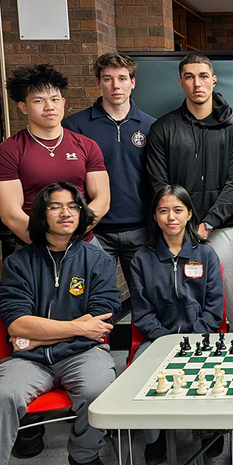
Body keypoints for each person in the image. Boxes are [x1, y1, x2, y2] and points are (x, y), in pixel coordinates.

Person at [0, 182, 121, 465]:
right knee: (3, 398)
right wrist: (77, 327)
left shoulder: (98, 260)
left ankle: (84, 456)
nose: (66, 213)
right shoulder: (19, 263)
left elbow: (100, 321)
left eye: (73, 207)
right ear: (42, 213)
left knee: (99, 391)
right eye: (56, 206)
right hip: (29, 360)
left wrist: (38, 335)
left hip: (82, 353)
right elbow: (17, 324)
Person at [146, 52, 233, 330]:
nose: (197, 83)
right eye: (190, 77)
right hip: (176, 232)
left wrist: (208, 223)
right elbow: (160, 185)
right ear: (180, 82)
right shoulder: (163, 129)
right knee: (184, 302)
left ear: (214, 80)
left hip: (225, 229)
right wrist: (184, 225)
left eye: (203, 76)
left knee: (232, 305)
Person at [129, 184, 224, 465]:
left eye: (178, 210)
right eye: (163, 210)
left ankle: (208, 430)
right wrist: (164, 339)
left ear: (189, 214)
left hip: (201, 336)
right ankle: (156, 436)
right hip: (157, 339)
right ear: (156, 217)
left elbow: (215, 308)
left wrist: (194, 335)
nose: (171, 217)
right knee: (142, 371)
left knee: (213, 369)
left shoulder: (206, 254)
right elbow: (142, 312)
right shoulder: (141, 259)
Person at [62, 52, 156, 295]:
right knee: (93, 299)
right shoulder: (75, 127)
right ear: (97, 82)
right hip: (94, 231)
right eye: (108, 79)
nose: (116, 86)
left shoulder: (151, 126)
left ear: (133, 83)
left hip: (141, 230)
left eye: (123, 78)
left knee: (146, 298)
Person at [0, 64, 110, 245]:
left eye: (54, 99)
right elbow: (11, 215)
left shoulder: (87, 145)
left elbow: (102, 200)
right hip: (32, 243)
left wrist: (70, 235)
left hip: (82, 241)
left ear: (63, 103)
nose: (49, 107)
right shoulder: (8, 151)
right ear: (23, 107)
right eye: (38, 101)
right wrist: (51, 243)